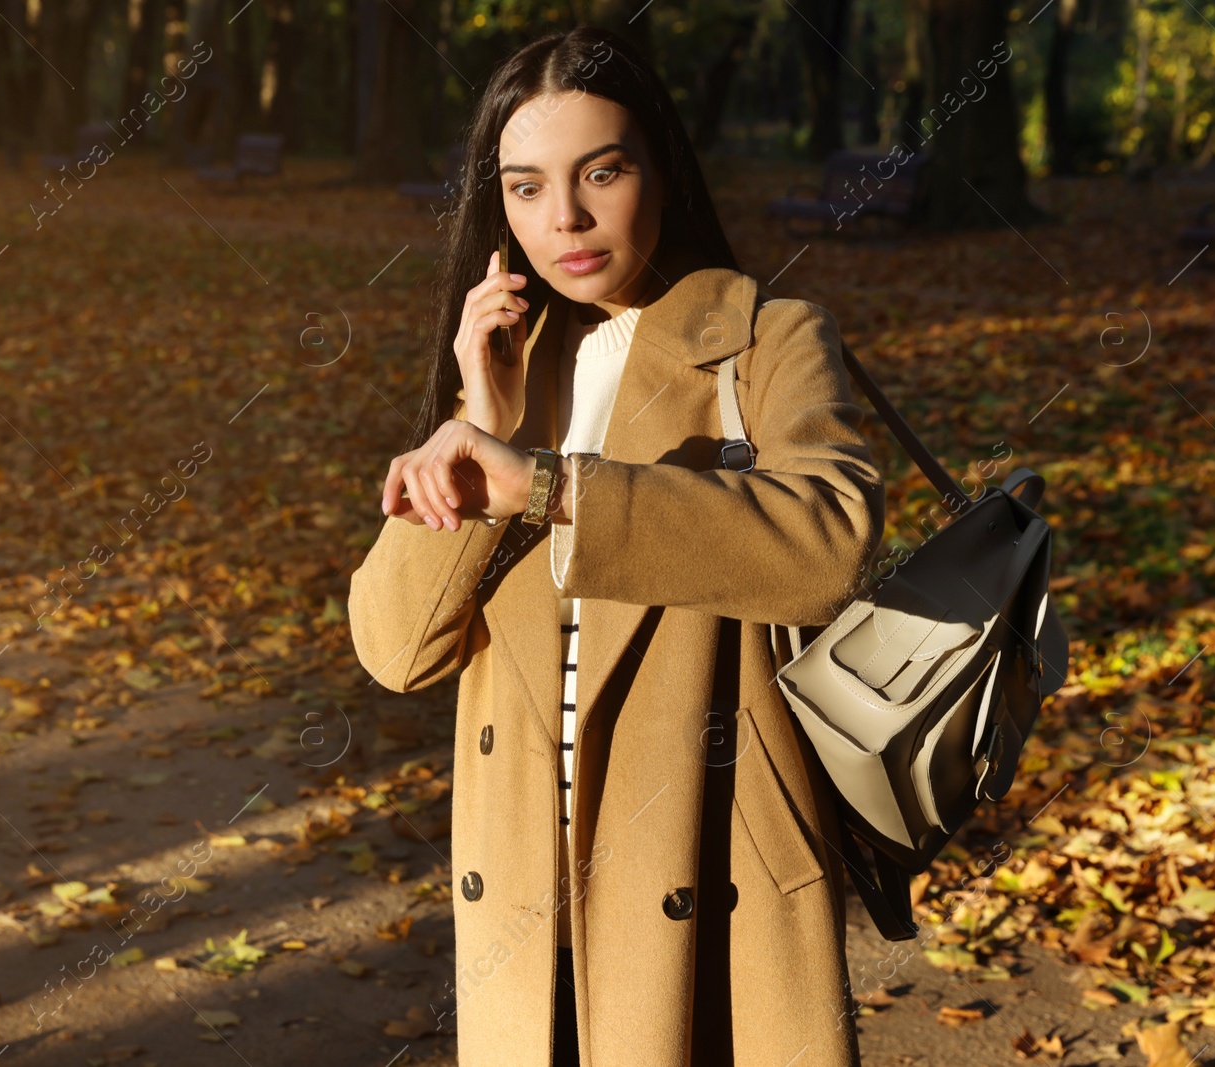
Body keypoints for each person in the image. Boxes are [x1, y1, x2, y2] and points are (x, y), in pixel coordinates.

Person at [348, 26, 885, 1067]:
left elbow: (829, 545)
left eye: (603, 171)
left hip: (704, 871)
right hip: (523, 897)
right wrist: (481, 409)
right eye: (525, 186)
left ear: (660, 169)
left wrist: (546, 487)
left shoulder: (765, 337)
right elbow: (394, 649)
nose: (566, 220)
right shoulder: (510, 369)